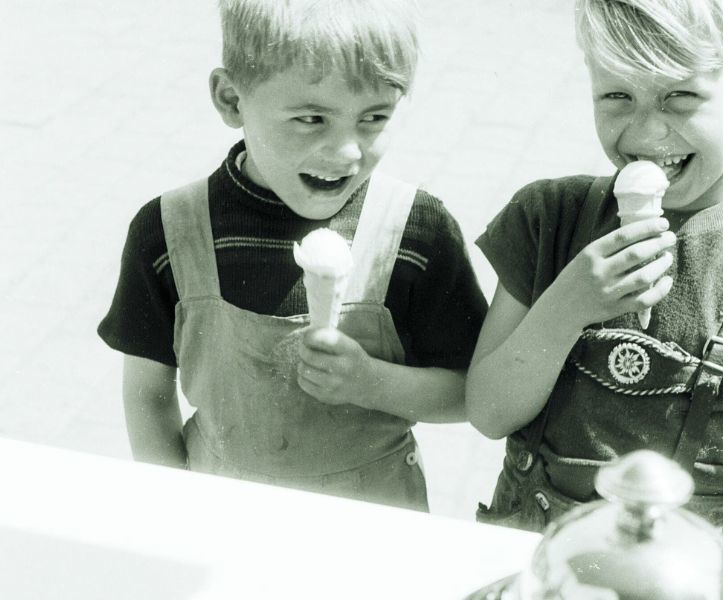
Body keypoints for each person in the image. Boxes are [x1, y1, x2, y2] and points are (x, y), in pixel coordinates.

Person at [98, 0, 487, 512]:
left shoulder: (414, 231)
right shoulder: (171, 233)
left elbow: (473, 394)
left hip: (371, 526)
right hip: (218, 516)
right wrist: (173, 512)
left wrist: (374, 384)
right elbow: (147, 397)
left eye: (374, 117)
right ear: (231, 99)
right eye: (312, 118)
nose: (347, 151)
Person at [466, 0, 723, 578]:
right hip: (530, 565)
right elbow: (489, 412)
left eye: (680, 96)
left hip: (673, 580)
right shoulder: (548, 219)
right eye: (617, 95)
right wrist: (567, 307)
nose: (645, 133)